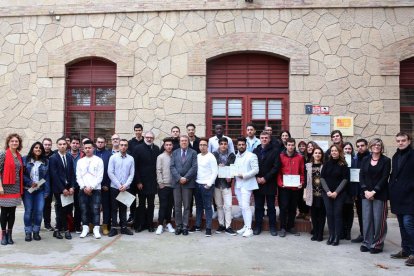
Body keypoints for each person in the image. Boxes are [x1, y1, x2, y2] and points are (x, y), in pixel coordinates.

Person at [359, 138, 390, 254]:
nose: (376, 146)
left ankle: (377, 244)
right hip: (365, 194)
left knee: (379, 220)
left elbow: (384, 177)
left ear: (381, 147)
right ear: (370, 146)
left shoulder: (386, 160)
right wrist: (366, 191)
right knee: (367, 219)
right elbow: (361, 175)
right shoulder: (365, 159)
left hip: (380, 194)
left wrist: (374, 191)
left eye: (379, 145)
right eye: (374, 144)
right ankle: (367, 242)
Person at [389, 132, 414, 266]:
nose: (400, 143)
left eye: (403, 140)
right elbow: (394, 174)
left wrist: (408, 187)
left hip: (410, 197)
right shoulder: (395, 156)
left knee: (409, 225)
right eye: (398, 141)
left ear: (409, 141)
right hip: (397, 196)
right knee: (402, 226)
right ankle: (406, 250)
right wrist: (392, 187)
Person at [321, 144, 350, 246]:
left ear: (339, 152)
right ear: (330, 152)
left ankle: (337, 236)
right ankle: (331, 235)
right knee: (329, 214)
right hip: (327, 193)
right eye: (332, 151)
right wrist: (328, 191)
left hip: (339, 194)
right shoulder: (326, 164)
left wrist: (336, 192)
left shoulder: (343, 164)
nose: (334, 152)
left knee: (337, 214)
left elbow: (345, 179)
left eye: (336, 151)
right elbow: (322, 178)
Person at [253, 131, 280, 236]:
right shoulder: (256, 151)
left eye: (266, 138)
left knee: (271, 207)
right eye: (262, 137)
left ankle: (272, 227)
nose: (264, 139)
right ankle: (258, 226)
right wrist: (256, 178)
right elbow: (252, 166)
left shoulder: (275, 151)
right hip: (258, 183)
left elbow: (276, 167)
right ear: (260, 138)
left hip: (270, 183)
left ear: (269, 139)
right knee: (258, 207)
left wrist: (266, 178)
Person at [132, 131, 160, 233]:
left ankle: (150, 224)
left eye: (151, 137)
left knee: (151, 204)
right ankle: (141, 224)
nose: (149, 139)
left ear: (154, 138)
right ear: (144, 138)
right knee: (142, 204)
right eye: (147, 137)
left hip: (152, 182)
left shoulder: (156, 149)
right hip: (141, 183)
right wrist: (138, 181)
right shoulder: (138, 149)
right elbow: (135, 167)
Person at [22, 142, 50, 242]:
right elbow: (22, 174)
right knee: (28, 211)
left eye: (40, 148)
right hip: (27, 190)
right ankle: (28, 232)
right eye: (36, 147)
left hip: (40, 191)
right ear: (32, 149)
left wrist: (47, 191)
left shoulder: (46, 161)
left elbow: (47, 177)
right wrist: (30, 182)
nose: (38, 149)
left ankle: (36, 231)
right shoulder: (25, 159)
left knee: (39, 212)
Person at [76, 140, 104, 239]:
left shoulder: (98, 160)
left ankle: (96, 229)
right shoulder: (80, 161)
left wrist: (91, 187)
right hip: (83, 189)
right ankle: (85, 228)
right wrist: (84, 187)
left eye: (89, 148)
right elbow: (78, 176)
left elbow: (100, 176)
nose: (88, 149)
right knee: (84, 210)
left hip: (95, 189)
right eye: (86, 148)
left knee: (95, 209)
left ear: (93, 148)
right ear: (83, 149)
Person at [170, 135, 197, 236]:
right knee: (177, 206)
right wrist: (179, 178)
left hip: (188, 183)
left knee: (186, 206)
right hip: (177, 183)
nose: (184, 142)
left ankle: (185, 225)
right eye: (182, 141)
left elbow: (194, 167)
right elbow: (172, 167)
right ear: (180, 142)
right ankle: (178, 225)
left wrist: (186, 178)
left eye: (185, 141)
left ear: (188, 142)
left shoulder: (193, 153)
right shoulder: (175, 152)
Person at [277, 138, 305, 237]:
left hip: (295, 188)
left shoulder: (300, 157)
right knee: (283, 208)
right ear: (286, 145)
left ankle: (291, 226)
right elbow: (279, 172)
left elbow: (302, 172)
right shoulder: (281, 156)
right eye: (289, 145)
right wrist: (281, 184)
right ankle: (283, 228)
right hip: (284, 187)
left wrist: (301, 182)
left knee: (293, 208)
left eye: (292, 145)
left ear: (295, 146)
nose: (291, 147)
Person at [107, 139, 135, 237]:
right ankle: (114, 228)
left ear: (127, 147)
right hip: (115, 187)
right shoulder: (113, 158)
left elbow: (132, 174)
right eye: (121, 145)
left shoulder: (131, 159)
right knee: (114, 208)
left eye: (125, 145)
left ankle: (124, 227)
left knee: (123, 208)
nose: (123, 147)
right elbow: (110, 172)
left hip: (126, 188)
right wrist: (119, 185)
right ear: (118, 146)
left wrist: (125, 185)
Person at [191, 138, 218, 237]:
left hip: (207, 185)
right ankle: (198, 225)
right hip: (197, 184)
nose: (202, 146)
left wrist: (209, 184)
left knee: (207, 207)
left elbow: (215, 171)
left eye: (204, 145)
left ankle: (208, 227)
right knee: (198, 206)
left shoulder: (211, 157)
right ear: (199, 146)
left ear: (207, 146)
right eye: (201, 145)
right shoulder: (197, 156)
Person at [49, 137, 75, 240]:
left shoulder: (69, 157)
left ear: (66, 145)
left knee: (67, 209)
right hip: (59, 189)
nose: (62, 146)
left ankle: (57, 230)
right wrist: (62, 189)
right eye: (60, 144)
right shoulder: (53, 158)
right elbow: (54, 175)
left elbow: (72, 173)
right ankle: (65, 230)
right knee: (61, 209)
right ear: (57, 145)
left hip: (69, 189)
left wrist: (72, 186)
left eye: (64, 144)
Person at [0, 133, 24, 245]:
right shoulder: (3, 154)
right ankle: (3, 235)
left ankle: (10, 235)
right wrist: (0, 186)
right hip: (4, 187)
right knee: (4, 212)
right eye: (12, 141)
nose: (14, 143)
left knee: (12, 212)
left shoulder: (19, 156)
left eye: (16, 141)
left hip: (15, 187)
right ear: (8, 143)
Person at [234, 137, 259, 238]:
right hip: (238, 185)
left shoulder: (251, 155)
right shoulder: (236, 156)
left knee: (246, 206)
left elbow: (256, 170)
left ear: (246, 145)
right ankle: (245, 225)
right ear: (237, 146)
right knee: (242, 206)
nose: (241, 146)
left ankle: (249, 229)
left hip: (247, 184)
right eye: (239, 145)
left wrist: (244, 175)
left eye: (243, 144)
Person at [212, 137, 236, 235]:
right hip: (217, 184)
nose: (223, 145)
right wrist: (218, 167)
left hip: (227, 184)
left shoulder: (232, 155)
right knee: (219, 206)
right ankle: (221, 225)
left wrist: (231, 176)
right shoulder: (214, 155)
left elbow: (234, 168)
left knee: (228, 206)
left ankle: (228, 226)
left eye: (225, 144)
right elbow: (211, 168)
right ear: (219, 145)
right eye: (221, 143)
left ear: (227, 145)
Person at [350, 139, 370, 243]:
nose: (360, 148)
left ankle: (370, 235)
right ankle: (363, 234)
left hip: (367, 191)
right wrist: (354, 193)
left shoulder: (371, 158)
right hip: (358, 192)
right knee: (360, 214)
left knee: (369, 216)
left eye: (362, 145)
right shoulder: (355, 158)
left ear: (367, 146)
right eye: (358, 146)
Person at [304, 147, 325, 241]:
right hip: (312, 194)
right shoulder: (308, 166)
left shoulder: (324, 166)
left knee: (322, 215)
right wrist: (304, 193)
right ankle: (315, 232)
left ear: (322, 155)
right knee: (314, 215)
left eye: (319, 153)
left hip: (322, 195)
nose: (317, 154)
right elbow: (305, 181)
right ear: (312, 154)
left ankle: (320, 234)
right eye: (316, 153)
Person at [155, 137, 176, 235]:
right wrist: (160, 183)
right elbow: (158, 170)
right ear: (164, 146)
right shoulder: (161, 157)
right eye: (167, 145)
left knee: (170, 206)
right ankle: (160, 224)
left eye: (170, 145)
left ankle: (168, 223)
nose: (168, 146)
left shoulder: (174, 156)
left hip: (173, 185)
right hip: (163, 185)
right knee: (163, 205)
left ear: (172, 146)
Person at [94, 136, 112, 235]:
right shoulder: (93, 154)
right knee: (95, 207)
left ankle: (105, 225)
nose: (100, 144)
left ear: (105, 143)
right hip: (94, 186)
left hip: (105, 186)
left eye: (102, 142)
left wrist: (107, 184)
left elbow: (111, 171)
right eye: (98, 142)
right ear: (96, 143)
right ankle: (94, 225)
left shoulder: (109, 155)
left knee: (106, 207)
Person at [69, 135, 84, 233]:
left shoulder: (83, 155)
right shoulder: (65, 155)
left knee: (79, 206)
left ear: (79, 145)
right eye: (73, 143)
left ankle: (78, 225)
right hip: (68, 185)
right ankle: (69, 226)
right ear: (70, 144)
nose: (75, 145)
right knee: (68, 206)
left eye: (77, 143)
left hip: (79, 185)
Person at [342, 142, 355, 240]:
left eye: (349, 148)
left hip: (350, 190)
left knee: (349, 211)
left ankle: (348, 231)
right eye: (345, 148)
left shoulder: (355, 160)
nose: (347, 150)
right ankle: (342, 231)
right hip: (341, 190)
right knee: (341, 210)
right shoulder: (340, 161)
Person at [42, 137, 54, 231]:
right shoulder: (37, 154)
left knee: (47, 204)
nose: (47, 146)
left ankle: (47, 224)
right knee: (36, 205)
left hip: (51, 183)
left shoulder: (54, 155)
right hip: (38, 183)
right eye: (45, 144)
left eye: (49, 144)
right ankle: (34, 223)